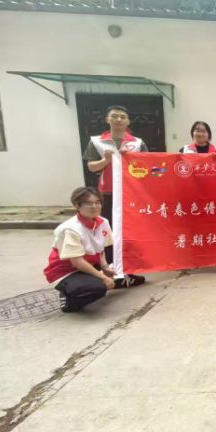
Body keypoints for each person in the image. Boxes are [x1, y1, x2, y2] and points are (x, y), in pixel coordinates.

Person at [83, 105, 146, 286]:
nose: (119, 120)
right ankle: (110, 269)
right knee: (108, 231)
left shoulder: (137, 143)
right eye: (115, 116)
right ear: (107, 119)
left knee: (130, 231)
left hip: (131, 194)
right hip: (108, 193)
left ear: (128, 121)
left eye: (122, 117)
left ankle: (130, 269)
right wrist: (106, 160)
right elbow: (91, 166)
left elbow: (147, 166)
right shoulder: (97, 142)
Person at [43, 187, 117, 312]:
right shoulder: (71, 229)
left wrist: (105, 267)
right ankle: (69, 301)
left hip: (88, 263)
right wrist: (103, 277)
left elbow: (101, 247)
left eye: (97, 202)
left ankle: (109, 279)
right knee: (98, 287)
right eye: (89, 203)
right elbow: (77, 262)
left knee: (121, 251)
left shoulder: (103, 222)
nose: (94, 206)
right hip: (66, 271)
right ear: (77, 206)